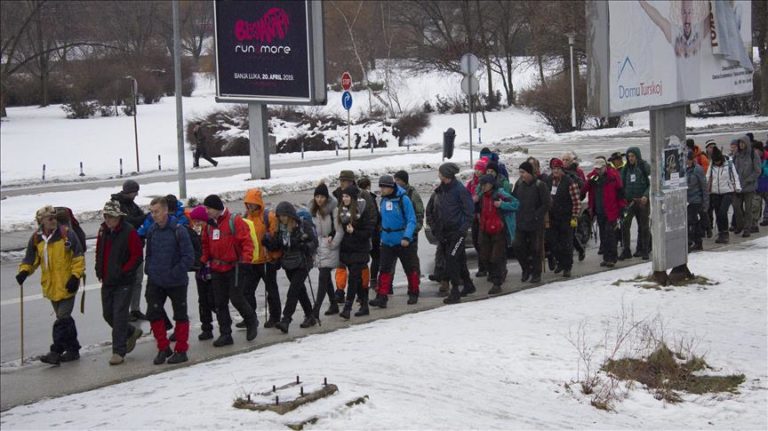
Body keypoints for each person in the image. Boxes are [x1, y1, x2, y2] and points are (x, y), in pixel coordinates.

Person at [16, 206, 85, 365]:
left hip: (68, 285)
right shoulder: (37, 238)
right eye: (49, 218)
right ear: (41, 221)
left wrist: (75, 277)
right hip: (51, 287)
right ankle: (73, 349)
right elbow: (31, 260)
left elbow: (78, 258)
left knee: (62, 319)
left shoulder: (67, 234)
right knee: (65, 320)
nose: (53, 220)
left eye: (54, 217)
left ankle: (55, 351)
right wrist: (24, 272)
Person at [200, 194, 258, 347]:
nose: (206, 211)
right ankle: (225, 334)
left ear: (217, 208)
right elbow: (205, 245)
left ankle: (251, 320)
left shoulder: (235, 221)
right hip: (217, 267)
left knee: (236, 297)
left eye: (209, 208)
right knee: (219, 302)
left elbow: (247, 242)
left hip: (235, 266)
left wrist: (246, 260)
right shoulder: (208, 225)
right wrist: (202, 261)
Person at [144, 197, 194, 365]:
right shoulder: (152, 230)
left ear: (165, 211)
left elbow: (189, 257)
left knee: (180, 315)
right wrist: (150, 269)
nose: (154, 215)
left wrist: (175, 272)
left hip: (176, 281)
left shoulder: (179, 230)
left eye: (156, 211)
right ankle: (163, 347)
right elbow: (149, 253)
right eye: (151, 212)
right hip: (156, 280)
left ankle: (181, 350)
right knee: (153, 313)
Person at [95, 201, 144, 365]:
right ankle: (131, 331)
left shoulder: (129, 232)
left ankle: (118, 351)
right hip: (107, 280)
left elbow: (137, 255)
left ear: (119, 217)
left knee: (119, 316)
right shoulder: (103, 231)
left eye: (112, 217)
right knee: (108, 314)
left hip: (123, 281)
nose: (109, 220)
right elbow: (99, 251)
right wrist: (98, 269)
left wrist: (125, 271)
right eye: (107, 216)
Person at [265, 202, 319, 332]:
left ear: (290, 215)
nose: (282, 218)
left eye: (284, 216)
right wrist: (268, 242)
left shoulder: (302, 225)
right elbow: (278, 246)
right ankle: (310, 315)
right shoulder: (280, 229)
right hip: (288, 263)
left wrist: (304, 246)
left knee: (293, 291)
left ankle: (286, 320)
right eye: (280, 216)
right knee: (299, 290)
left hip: (302, 262)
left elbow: (314, 242)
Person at [369, 175, 419, 308]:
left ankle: (414, 292)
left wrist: (407, 237)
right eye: (380, 186)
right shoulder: (384, 200)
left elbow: (411, 220)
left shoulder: (404, 199)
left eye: (384, 187)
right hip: (387, 241)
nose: (381, 189)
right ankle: (382, 296)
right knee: (384, 269)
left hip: (403, 241)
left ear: (391, 187)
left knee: (410, 269)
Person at [332, 170, 377, 303]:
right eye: (340, 181)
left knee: (360, 267)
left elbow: (372, 216)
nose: (342, 183)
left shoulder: (363, 195)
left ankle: (362, 292)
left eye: (344, 181)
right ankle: (340, 291)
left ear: (352, 182)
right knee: (341, 264)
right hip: (343, 238)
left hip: (359, 238)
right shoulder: (337, 194)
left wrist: (364, 232)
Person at [434, 163, 475, 304]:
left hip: (457, 232)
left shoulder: (459, 190)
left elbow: (470, 212)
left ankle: (455, 290)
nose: (438, 175)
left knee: (451, 259)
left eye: (440, 173)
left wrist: (462, 230)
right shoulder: (442, 190)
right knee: (460, 259)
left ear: (446, 175)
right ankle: (469, 285)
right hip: (446, 232)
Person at [242, 188, 282, 328]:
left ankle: (275, 317)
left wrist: (269, 243)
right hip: (253, 260)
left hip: (267, 260)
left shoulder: (268, 216)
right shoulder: (246, 216)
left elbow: (275, 236)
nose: (250, 206)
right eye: (248, 203)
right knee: (247, 291)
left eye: (252, 203)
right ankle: (250, 317)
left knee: (271, 290)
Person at [111, 179, 147, 321]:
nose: (137, 194)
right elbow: (131, 222)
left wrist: (141, 218)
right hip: (125, 250)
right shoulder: (117, 205)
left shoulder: (131, 204)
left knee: (137, 280)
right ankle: (124, 311)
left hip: (136, 247)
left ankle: (135, 309)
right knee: (125, 282)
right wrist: (142, 218)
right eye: (135, 192)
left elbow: (138, 219)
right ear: (129, 191)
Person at [477, 174, 518, 293]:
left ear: (491, 184)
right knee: (484, 256)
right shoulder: (482, 196)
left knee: (496, 258)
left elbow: (516, 204)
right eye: (482, 184)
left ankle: (497, 283)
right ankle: (495, 276)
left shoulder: (499, 194)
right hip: (485, 230)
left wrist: (502, 204)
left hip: (498, 230)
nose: (483, 187)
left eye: (485, 184)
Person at [337, 185, 374, 318]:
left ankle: (347, 308)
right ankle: (364, 306)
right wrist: (332, 235)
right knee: (357, 280)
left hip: (360, 250)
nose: (344, 198)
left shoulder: (362, 211)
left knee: (353, 278)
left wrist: (355, 232)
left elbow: (368, 231)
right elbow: (339, 228)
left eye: (347, 196)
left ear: (352, 198)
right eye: (343, 196)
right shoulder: (342, 211)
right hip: (347, 249)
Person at [512, 161, 551, 283]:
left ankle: (536, 273)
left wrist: (536, 215)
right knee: (517, 245)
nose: (521, 175)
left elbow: (547, 203)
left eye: (523, 172)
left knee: (536, 249)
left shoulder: (540, 185)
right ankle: (526, 268)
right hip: (521, 221)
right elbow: (513, 198)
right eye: (520, 172)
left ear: (529, 172)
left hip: (535, 223)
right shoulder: (519, 184)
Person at [309, 183, 344, 317]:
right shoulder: (313, 210)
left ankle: (315, 311)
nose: (319, 199)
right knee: (326, 277)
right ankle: (333, 303)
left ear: (327, 197)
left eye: (322, 197)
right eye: (317, 196)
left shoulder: (333, 210)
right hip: (319, 246)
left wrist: (333, 244)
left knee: (323, 277)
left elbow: (339, 230)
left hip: (330, 246)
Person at [585, 158, 624, 267]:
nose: (597, 170)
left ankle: (612, 258)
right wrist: (589, 181)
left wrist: (622, 208)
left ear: (604, 167)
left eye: (599, 168)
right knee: (603, 235)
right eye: (596, 169)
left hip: (611, 210)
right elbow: (585, 188)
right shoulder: (593, 177)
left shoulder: (613, 176)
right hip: (599, 210)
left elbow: (620, 193)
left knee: (610, 234)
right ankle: (606, 258)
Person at [546, 159, 581, 278]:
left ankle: (567, 267)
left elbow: (576, 201)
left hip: (567, 217)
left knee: (567, 243)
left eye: (557, 169)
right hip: (553, 217)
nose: (555, 171)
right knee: (553, 242)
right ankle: (560, 262)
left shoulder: (569, 182)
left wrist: (574, 216)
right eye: (553, 169)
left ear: (562, 170)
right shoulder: (549, 180)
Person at [188, 205, 217, 341]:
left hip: (213, 270)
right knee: (203, 301)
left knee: (214, 299)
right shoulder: (193, 233)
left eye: (199, 221)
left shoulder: (212, 230)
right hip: (200, 272)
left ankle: (223, 322)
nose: (197, 224)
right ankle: (206, 328)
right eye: (195, 221)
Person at [619, 147, 651, 260]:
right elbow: (621, 185)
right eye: (629, 156)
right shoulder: (626, 169)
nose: (630, 158)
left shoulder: (644, 167)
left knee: (643, 226)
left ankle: (644, 249)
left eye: (632, 156)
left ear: (637, 156)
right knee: (625, 224)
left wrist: (646, 196)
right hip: (629, 202)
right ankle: (626, 250)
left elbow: (651, 183)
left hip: (642, 201)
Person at [707, 146, 741, 244]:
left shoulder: (729, 164)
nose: (717, 163)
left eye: (718, 161)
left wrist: (737, 187)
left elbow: (735, 176)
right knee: (718, 213)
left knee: (723, 212)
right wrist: (707, 189)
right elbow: (708, 177)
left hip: (727, 192)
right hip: (715, 192)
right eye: (715, 161)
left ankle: (725, 233)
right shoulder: (712, 164)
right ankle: (721, 232)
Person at [731, 136, 762, 237]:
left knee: (748, 209)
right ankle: (740, 225)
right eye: (740, 143)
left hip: (749, 187)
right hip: (738, 187)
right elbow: (732, 169)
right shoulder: (737, 155)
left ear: (747, 144)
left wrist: (748, 180)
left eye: (743, 143)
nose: (741, 145)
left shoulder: (753, 155)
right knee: (736, 207)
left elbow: (758, 171)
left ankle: (747, 228)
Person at [468, 158, 489, 277]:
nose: (477, 172)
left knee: (482, 243)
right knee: (476, 242)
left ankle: (483, 267)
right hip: (473, 216)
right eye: (476, 169)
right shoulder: (471, 183)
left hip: (483, 215)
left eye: (479, 169)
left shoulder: (486, 183)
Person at [685, 152, 708, 251]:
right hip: (686, 200)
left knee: (692, 221)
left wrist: (705, 202)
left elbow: (704, 186)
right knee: (689, 221)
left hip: (696, 199)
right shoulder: (684, 169)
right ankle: (694, 241)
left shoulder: (698, 169)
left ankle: (695, 242)